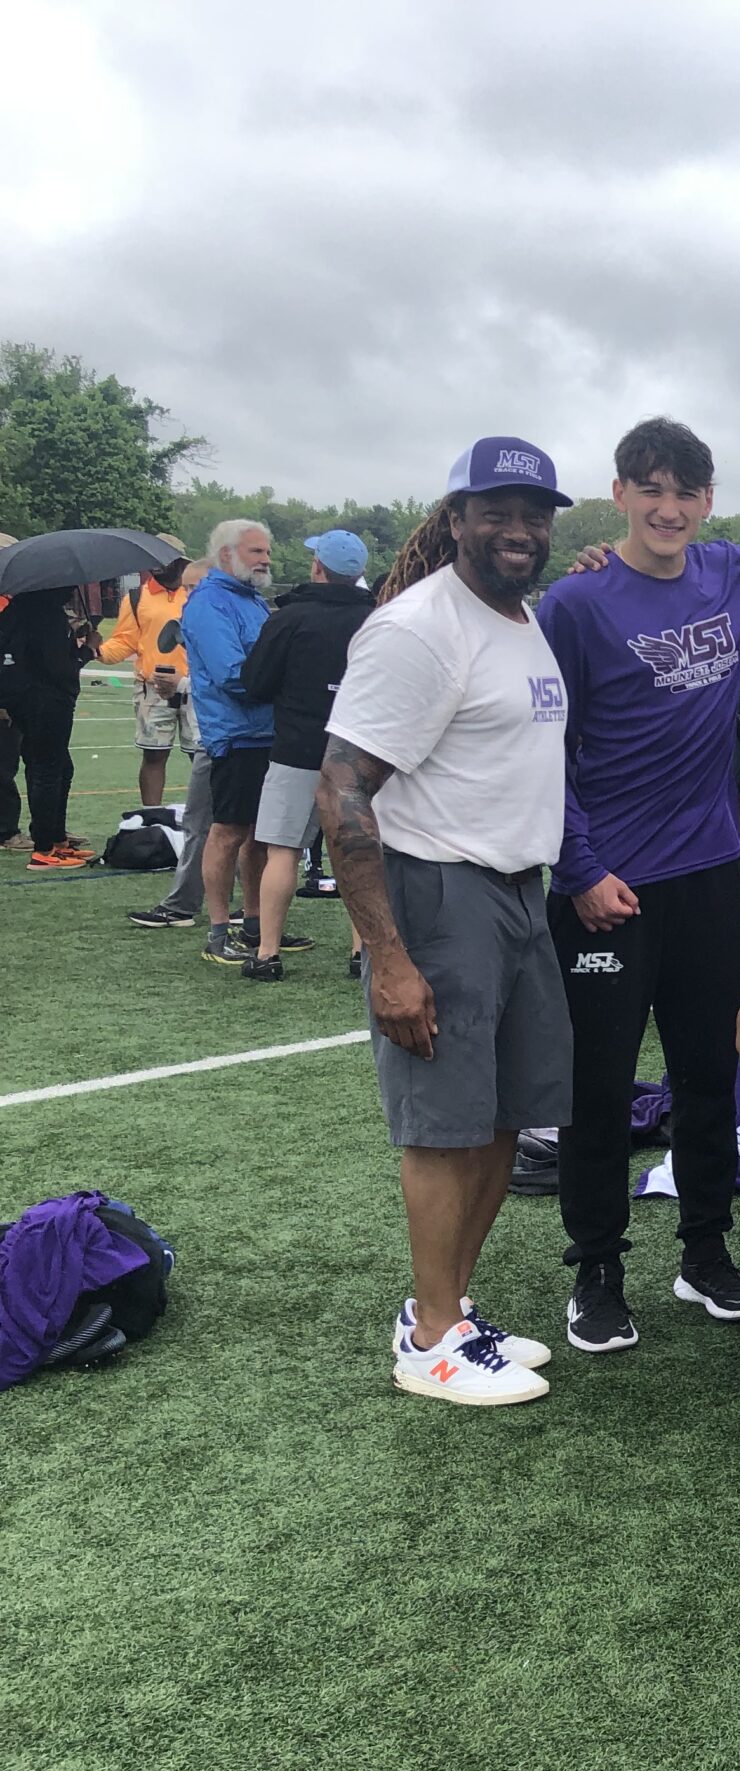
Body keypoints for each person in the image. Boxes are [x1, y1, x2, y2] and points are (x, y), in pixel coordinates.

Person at [532, 420, 740, 1353]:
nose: (668, 508)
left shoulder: (729, 571)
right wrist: (581, 868)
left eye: (686, 491)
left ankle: (703, 1253)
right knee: (596, 1088)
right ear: (621, 493)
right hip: (606, 889)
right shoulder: (578, 601)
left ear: (708, 498)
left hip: (710, 877)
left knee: (711, 1075)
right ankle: (596, 1268)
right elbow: (541, 748)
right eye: (650, 489)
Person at [319, 437, 579, 1408]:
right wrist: (386, 954)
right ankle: (429, 1338)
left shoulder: (516, 617)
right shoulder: (419, 627)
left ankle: (449, 1308)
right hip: (438, 891)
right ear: (458, 517)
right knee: (442, 1126)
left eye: (534, 512)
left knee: (507, 1111)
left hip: (518, 890)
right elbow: (343, 792)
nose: (519, 529)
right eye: (498, 510)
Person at [235, 530, 373, 978]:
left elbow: (255, 682)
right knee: (357, 853)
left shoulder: (289, 618)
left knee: (283, 851)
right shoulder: (377, 619)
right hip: (357, 750)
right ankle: (361, 954)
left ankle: (267, 954)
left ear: (317, 567)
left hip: (296, 746)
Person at [183, 520, 279, 960]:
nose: (265, 560)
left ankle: (257, 927)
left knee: (262, 834)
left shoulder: (252, 600)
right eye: (256, 552)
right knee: (228, 832)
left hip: (267, 732)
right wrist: (290, 683)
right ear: (227, 554)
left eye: (266, 553)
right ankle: (219, 932)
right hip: (236, 734)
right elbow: (232, 674)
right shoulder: (209, 603)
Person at [92, 541, 193, 808]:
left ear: (181, 562)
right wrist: (97, 651)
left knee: (203, 757)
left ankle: (208, 818)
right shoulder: (137, 597)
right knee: (154, 756)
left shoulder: (198, 593)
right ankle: (151, 816)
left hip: (195, 689)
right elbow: (125, 641)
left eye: (165, 560)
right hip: (153, 688)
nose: (158, 566)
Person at [0, 589, 89, 867]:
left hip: (25, 697)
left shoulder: (18, 610)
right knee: (47, 769)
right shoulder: (45, 614)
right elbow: (59, 667)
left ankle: (56, 838)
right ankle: (44, 848)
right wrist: (86, 650)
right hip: (45, 699)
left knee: (60, 767)